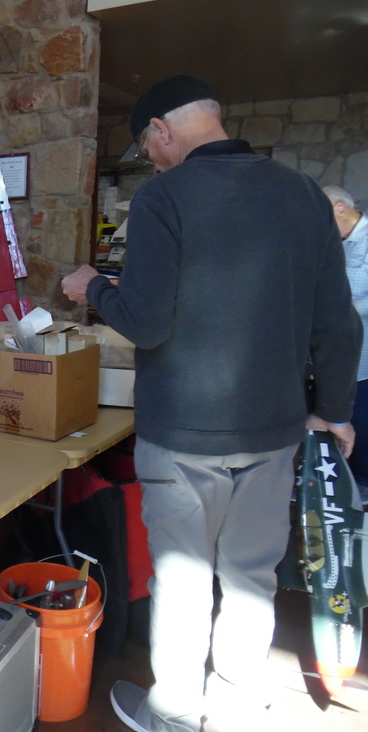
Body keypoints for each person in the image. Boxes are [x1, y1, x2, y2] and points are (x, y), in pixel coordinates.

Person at [62, 75, 361, 732]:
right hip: (273, 431)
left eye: (148, 147)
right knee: (251, 575)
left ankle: (173, 715)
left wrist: (93, 288)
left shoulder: (164, 197)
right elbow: (340, 325)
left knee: (184, 580)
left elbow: (146, 322)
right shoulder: (303, 194)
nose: (152, 160)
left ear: (162, 130)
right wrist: (333, 410)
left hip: (182, 436)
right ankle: (236, 701)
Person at [322, 184, 368, 505]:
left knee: (363, 425)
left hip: (365, 359)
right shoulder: (335, 244)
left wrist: (345, 307)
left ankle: (361, 490)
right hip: (340, 358)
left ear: (340, 208)